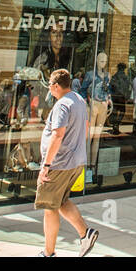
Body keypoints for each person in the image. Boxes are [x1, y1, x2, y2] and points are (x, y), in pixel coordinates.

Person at [34, 69, 99, 257]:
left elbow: (58, 134)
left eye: (50, 88)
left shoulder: (63, 104)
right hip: (75, 161)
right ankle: (85, 234)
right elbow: (85, 128)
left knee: (49, 206)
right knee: (60, 202)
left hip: (59, 164)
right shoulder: (79, 100)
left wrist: (46, 165)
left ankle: (48, 252)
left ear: (56, 86)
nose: (50, 92)